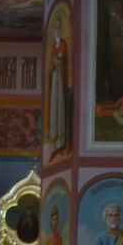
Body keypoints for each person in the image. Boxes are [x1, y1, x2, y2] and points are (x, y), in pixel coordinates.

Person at [46, 17, 70, 154]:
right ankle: (53, 140)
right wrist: (54, 61)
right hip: (54, 78)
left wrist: (59, 59)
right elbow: (50, 65)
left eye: (59, 28)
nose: (57, 31)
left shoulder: (63, 44)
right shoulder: (52, 47)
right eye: (55, 29)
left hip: (60, 79)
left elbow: (63, 59)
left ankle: (60, 140)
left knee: (59, 105)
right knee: (53, 106)